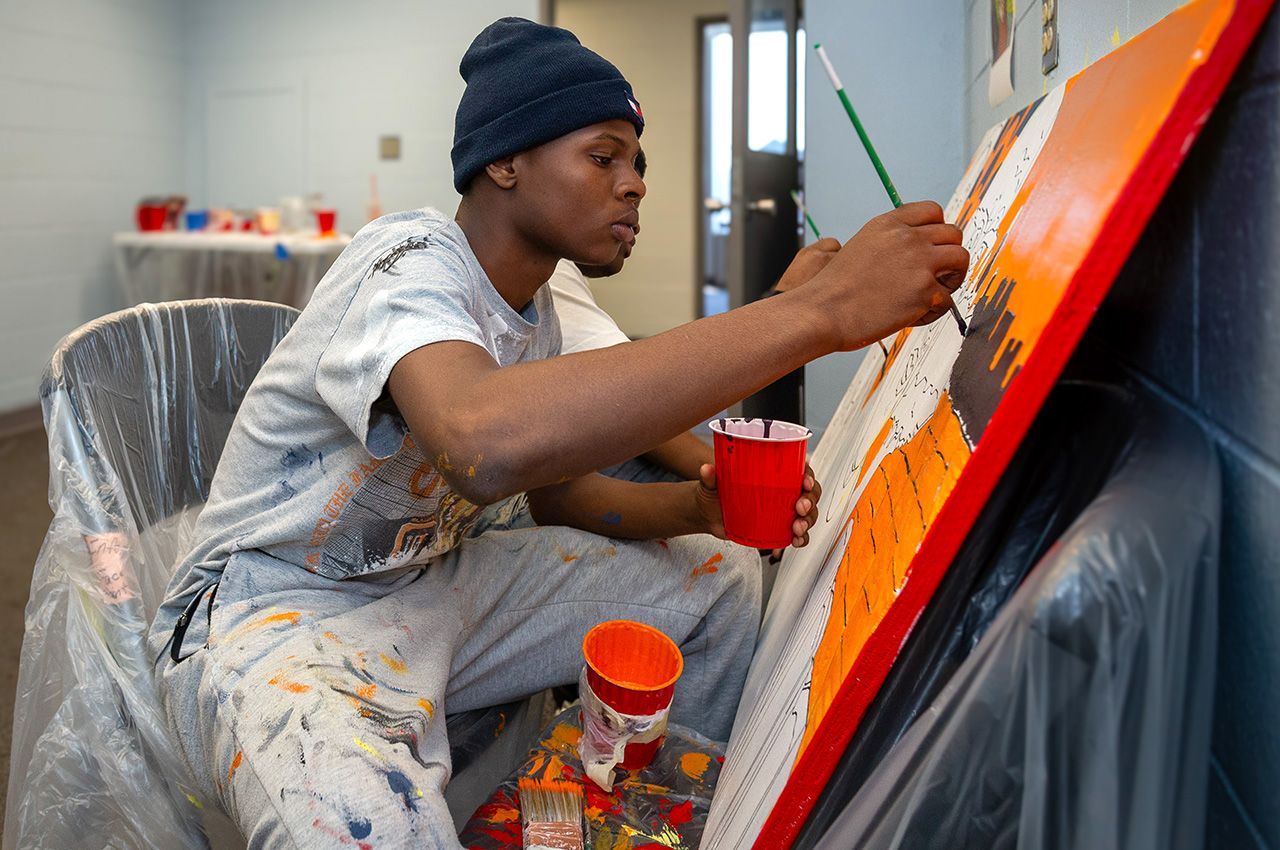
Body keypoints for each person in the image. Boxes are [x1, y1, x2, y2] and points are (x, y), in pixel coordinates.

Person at [148, 17, 967, 849]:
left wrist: (699, 505)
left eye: (637, 164)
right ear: (504, 161)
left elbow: (561, 496)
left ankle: (662, 817)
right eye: (604, 156)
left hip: (424, 585)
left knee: (716, 579)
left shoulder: (534, 311)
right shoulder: (405, 260)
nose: (635, 184)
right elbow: (480, 443)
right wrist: (813, 316)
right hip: (275, 612)